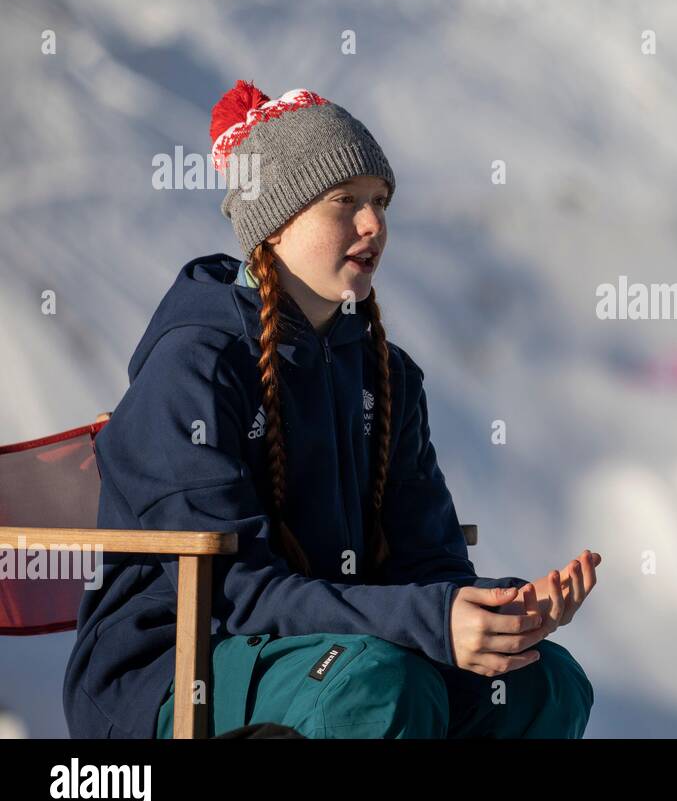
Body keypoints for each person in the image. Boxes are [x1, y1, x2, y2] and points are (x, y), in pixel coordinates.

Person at [64, 81, 599, 738]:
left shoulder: (385, 374)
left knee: (541, 681)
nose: (373, 224)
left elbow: (426, 561)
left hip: (338, 650)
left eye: (380, 201)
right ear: (277, 223)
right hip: (174, 670)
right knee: (379, 690)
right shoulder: (195, 366)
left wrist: (494, 609)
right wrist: (431, 620)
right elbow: (239, 590)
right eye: (345, 201)